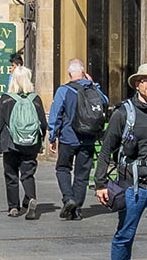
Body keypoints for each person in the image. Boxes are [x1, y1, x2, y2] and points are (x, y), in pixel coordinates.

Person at [95, 63, 147, 260]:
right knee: (125, 235)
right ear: (137, 84)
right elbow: (106, 149)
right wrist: (100, 184)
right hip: (130, 186)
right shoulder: (123, 113)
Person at [48, 58, 107, 219]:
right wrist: (94, 85)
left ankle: (68, 198)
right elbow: (105, 102)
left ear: (69, 72)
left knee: (63, 168)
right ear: (83, 72)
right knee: (82, 175)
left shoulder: (63, 90)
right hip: (88, 138)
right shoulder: (92, 89)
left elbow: (56, 114)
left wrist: (52, 136)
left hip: (68, 137)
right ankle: (77, 210)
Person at [0, 65, 49, 218]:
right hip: (30, 143)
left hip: (10, 143)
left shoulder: (6, 99)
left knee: (11, 175)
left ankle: (13, 208)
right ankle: (31, 198)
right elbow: (42, 123)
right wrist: (40, 139)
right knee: (28, 174)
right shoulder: (35, 99)